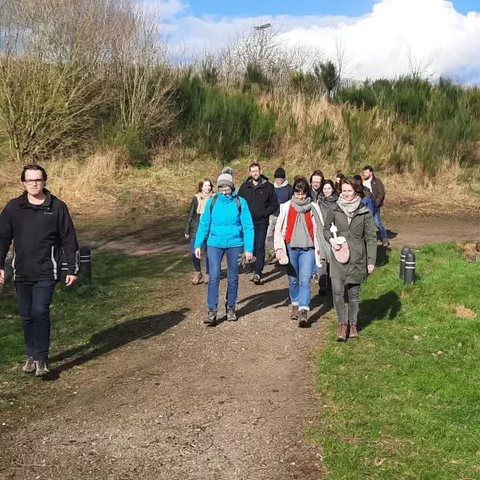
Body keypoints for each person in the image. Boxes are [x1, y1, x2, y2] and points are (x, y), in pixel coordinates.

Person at [0, 164, 79, 377]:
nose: (34, 184)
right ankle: (31, 356)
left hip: (47, 271)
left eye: (38, 180)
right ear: (23, 183)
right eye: (29, 180)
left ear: (44, 181)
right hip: (21, 272)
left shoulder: (57, 207)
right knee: (26, 316)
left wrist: (71, 267)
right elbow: (3, 238)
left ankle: (42, 359)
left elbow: (68, 239)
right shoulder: (14, 207)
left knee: (40, 311)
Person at [195, 170, 254, 326]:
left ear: (232, 187)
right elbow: (204, 223)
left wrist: (249, 249)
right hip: (214, 243)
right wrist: (198, 244)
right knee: (214, 276)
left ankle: (231, 307)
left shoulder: (240, 202)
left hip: (235, 244)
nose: (224, 191)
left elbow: (248, 226)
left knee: (233, 277)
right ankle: (211, 311)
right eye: (221, 188)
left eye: (226, 188)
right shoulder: (212, 202)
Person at [323, 177, 377, 342]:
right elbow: (326, 229)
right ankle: (342, 324)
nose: (346, 194)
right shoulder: (334, 208)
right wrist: (331, 240)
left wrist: (371, 260)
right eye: (344, 190)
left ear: (356, 191)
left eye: (349, 191)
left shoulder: (364, 211)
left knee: (353, 294)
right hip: (338, 255)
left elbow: (371, 237)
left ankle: (353, 324)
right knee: (338, 292)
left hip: (357, 258)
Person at [274, 177, 325, 328]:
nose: (300, 196)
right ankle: (295, 304)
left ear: (307, 193)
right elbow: (278, 230)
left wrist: (323, 250)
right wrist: (279, 248)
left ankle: (304, 310)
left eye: (303, 193)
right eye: (297, 193)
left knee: (304, 279)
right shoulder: (286, 207)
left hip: (308, 249)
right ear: (293, 192)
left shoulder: (313, 207)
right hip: (291, 248)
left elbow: (320, 229)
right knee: (293, 279)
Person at [238, 163, 278, 285]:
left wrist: (264, 213)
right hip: (248, 222)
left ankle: (258, 272)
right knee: (252, 245)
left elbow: (274, 205)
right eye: (252, 171)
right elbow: (238, 203)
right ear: (249, 173)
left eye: (257, 171)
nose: (255, 173)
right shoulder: (244, 187)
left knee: (260, 245)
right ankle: (253, 265)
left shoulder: (268, 187)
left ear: (260, 171)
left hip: (262, 222)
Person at [185, 178, 214, 285]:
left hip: (209, 230)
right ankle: (198, 272)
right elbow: (191, 215)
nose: (207, 188)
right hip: (196, 229)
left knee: (208, 253)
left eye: (209, 186)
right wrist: (187, 229)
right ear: (201, 187)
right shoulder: (195, 199)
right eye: (205, 186)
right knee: (194, 253)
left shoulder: (214, 199)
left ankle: (208, 273)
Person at [265, 167, 292, 261]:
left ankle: (284, 254)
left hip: (284, 216)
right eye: (276, 178)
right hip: (273, 215)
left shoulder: (289, 188)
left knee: (282, 236)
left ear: (284, 178)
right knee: (268, 236)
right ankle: (274, 252)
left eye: (280, 178)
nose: (278, 180)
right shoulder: (271, 188)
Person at [316, 180, 338, 294]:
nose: (327, 191)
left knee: (333, 259)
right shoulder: (319, 202)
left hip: (334, 233)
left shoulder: (337, 202)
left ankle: (331, 283)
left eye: (329, 188)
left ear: (333, 189)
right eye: (325, 189)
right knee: (323, 259)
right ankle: (322, 284)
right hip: (321, 233)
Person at [362, 165, 389, 247]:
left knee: (377, 222)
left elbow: (381, 193)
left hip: (374, 205)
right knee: (366, 222)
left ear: (371, 172)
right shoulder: (363, 181)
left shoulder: (377, 181)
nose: (364, 174)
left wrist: (376, 203)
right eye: (364, 172)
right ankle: (368, 239)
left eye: (366, 172)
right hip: (365, 204)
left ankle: (385, 238)